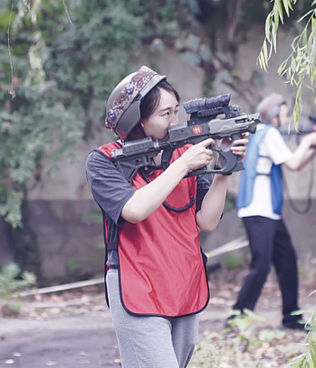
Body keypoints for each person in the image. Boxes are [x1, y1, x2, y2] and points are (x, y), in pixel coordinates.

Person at [85, 66, 247, 368]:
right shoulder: (104, 160)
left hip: (183, 280)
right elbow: (134, 210)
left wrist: (225, 168)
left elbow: (207, 221)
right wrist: (182, 166)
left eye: (176, 111)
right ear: (138, 120)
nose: (175, 121)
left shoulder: (185, 153)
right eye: (165, 114)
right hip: (137, 282)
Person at [230, 93, 316, 330]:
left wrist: (314, 147)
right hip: (260, 210)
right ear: (273, 115)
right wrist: (309, 140)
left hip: (266, 211)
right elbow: (293, 163)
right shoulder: (268, 133)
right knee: (261, 265)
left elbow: (295, 162)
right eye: (284, 114)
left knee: (287, 261)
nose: (287, 119)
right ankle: (237, 316)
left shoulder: (260, 133)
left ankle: (291, 316)